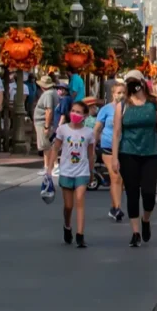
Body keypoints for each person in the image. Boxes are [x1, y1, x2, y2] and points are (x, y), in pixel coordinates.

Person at [111, 73, 157, 247]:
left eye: (134, 83)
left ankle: (146, 219)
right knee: (132, 193)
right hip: (128, 153)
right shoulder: (122, 106)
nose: (132, 86)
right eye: (129, 83)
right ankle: (135, 232)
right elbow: (116, 133)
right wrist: (114, 157)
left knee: (149, 194)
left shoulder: (154, 105)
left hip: (150, 153)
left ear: (142, 83)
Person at [54, 101, 95, 247]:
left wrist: (91, 171)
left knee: (80, 201)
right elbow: (55, 148)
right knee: (68, 206)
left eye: (78, 112)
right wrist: (49, 168)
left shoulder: (89, 132)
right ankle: (67, 225)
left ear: (84, 115)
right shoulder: (63, 130)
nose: (75, 114)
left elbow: (91, 154)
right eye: (73, 111)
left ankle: (80, 235)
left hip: (82, 171)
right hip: (66, 170)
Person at [95, 82, 126, 222]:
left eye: (123, 92)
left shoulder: (129, 109)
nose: (121, 95)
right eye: (118, 92)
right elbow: (97, 129)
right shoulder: (106, 110)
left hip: (125, 146)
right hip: (108, 146)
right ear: (113, 94)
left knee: (122, 180)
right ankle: (118, 208)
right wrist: (92, 146)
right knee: (116, 177)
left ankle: (113, 206)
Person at [33, 75, 60, 189]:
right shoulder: (52, 92)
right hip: (44, 122)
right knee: (46, 146)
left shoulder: (48, 94)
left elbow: (48, 110)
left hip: (43, 122)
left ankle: (53, 166)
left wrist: (46, 126)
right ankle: (47, 166)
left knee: (47, 145)